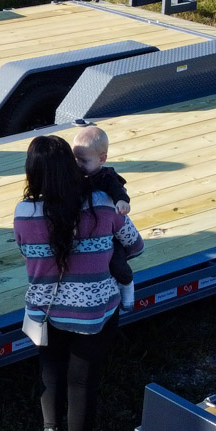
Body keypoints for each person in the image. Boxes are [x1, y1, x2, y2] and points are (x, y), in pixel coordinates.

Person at [13, 134, 143, 431]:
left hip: (46, 311)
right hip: (96, 310)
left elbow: (27, 253)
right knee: (82, 384)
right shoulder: (103, 203)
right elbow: (135, 246)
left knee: (51, 373)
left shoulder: (24, 213)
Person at [72, 124, 136, 311]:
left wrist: (121, 201)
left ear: (102, 159)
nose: (78, 164)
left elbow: (117, 190)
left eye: (83, 161)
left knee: (117, 264)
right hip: (86, 231)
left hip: (109, 234)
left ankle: (127, 285)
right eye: (75, 159)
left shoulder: (106, 177)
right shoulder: (78, 174)